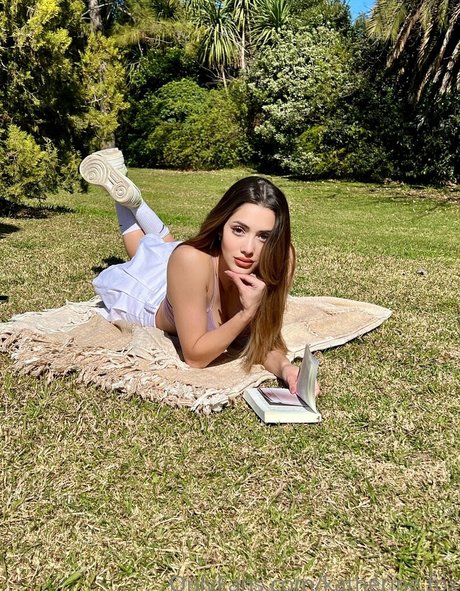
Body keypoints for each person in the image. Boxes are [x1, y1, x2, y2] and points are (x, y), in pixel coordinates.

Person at [80, 148, 302, 394]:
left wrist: (286, 368)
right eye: (238, 230)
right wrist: (246, 313)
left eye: (263, 237)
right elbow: (195, 357)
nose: (248, 249)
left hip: (187, 272)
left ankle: (132, 196)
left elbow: (263, 341)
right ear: (221, 228)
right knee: (144, 255)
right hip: (149, 298)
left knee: (162, 247)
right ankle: (123, 198)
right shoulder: (191, 261)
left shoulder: (279, 261)